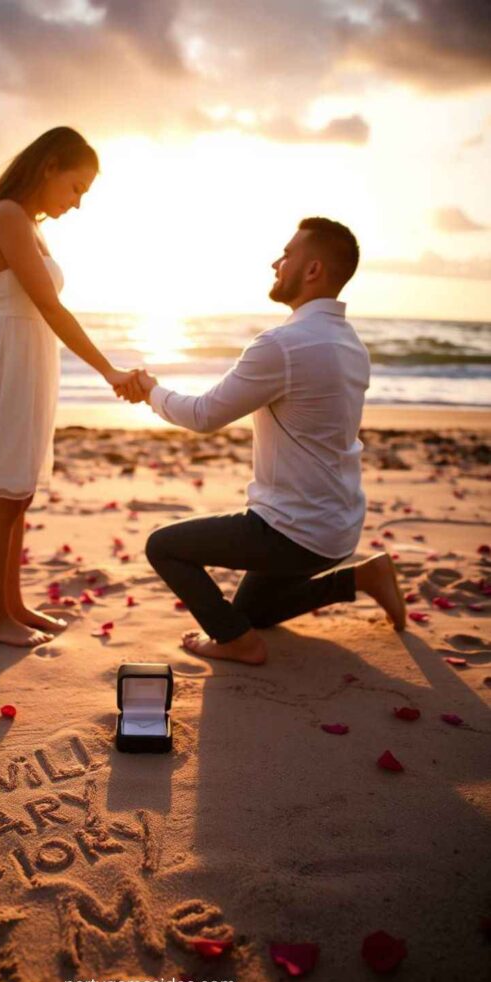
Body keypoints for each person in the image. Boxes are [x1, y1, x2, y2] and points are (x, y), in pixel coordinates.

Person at [130, 217, 406, 665]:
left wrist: (150, 392)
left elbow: (203, 416)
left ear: (312, 270)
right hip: (338, 528)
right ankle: (362, 577)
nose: (276, 262)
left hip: (291, 532)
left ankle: (238, 644)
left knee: (163, 546)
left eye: (287, 253)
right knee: (252, 610)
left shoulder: (284, 344)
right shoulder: (350, 341)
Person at [0, 127, 143, 649]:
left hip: (28, 357)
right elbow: (48, 305)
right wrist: (107, 369)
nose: (78, 202)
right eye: (76, 187)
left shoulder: (30, 224)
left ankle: (13, 605)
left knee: (18, 491)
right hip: (6, 358)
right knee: (5, 494)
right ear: (49, 169)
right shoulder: (6, 216)